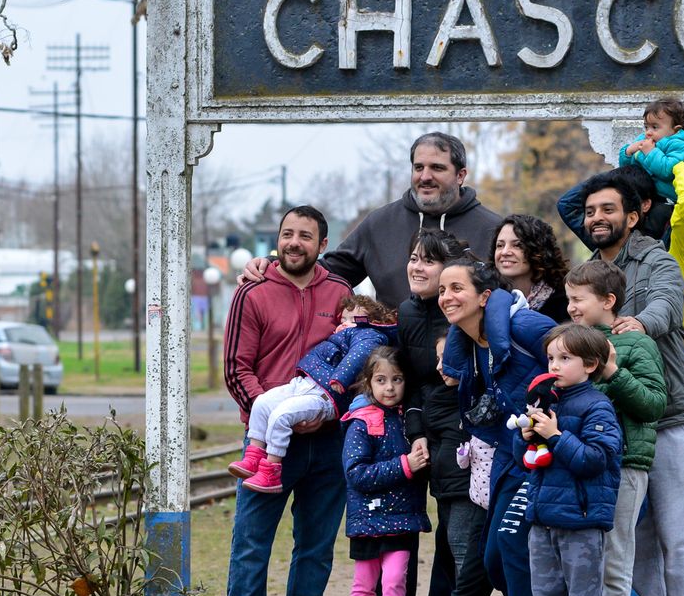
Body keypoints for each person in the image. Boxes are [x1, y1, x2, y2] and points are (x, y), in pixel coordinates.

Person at [567, 167, 684, 596]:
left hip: (667, 413)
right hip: (611, 427)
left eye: (608, 209)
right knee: (633, 535)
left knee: (678, 530)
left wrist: (638, 322)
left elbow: (669, 307)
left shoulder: (658, 259)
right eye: (589, 212)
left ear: (634, 214)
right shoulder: (585, 274)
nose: (596, 218)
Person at [206, 205, 352, 596]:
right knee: (252, 538)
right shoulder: (253, 292)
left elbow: (355, 364)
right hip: (266, 444)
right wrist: (274, 417)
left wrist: (323, 412)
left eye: (305, 236)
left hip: (327, 441)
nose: (294, 242)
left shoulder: (341, 294)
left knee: (316, 543)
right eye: (287, 234)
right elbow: (236, 370)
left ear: (322, 245)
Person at [397, 258, 554, 596]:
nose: (446, 297)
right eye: (443, 289)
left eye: (457, 288)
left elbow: (579, 352)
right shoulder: (467, 345)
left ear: (485, 296)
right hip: (506, 456)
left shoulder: (522, 326)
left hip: (542, 458)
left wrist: (564, 418)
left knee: (509, 548)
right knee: (490, 559)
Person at [238, 132, 503, 306]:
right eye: (418, 167)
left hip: (467, 370)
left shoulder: (493, 230)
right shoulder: (380, 223)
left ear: (460, 175)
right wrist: (275, 264)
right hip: (395, 377)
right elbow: (329, 272)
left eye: (437, 168)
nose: (425, 177)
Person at [565, 260, 668, 596]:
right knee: (599, 560)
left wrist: (611, 371)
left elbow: (653, 405)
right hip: (586, 466)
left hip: (624, 465)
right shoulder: (570, 343)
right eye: (568, 299)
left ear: (608, 301)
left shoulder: (634, 344)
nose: (570, 307)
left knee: (614, 559)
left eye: (577, 299)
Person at [516, 323, 622, 596]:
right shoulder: (546, 402)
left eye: (565, 358)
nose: (554, 365)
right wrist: (526, 438)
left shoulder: (598, 406)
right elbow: (526, 461)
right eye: (550, 358)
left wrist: (557, 436)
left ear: (591, 364)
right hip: (542, 518)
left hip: (580, 521)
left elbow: (596, 461)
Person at [397, 229, 488, 596]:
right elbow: (410, 384)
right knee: (448, 540)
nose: (417, 266)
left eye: (428, 261)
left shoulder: (469, 311)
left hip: (465, 433)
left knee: (463, 538)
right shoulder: (408, 314)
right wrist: (416, 431)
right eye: (414, 258)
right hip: (428, 434)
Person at [228, 294, 397, 494]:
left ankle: (271, 470)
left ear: (371, 321)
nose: (344, 323)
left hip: (325, 394)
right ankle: (254, 454)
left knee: (281, 415)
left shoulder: (367, 334)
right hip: (305, 383)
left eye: (352, 319)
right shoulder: (344, 335)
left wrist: (341, 378)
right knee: (263, 403)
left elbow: (359, 354)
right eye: (342, 319)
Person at [342, 346, 430, 596]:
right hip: (367, 520)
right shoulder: (360, 423)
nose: (389, 388)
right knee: (364, 587)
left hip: (403, 518)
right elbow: (356, 474)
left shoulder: (412, 421)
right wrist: (405, 465)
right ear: (368, 382)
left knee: (394, 582)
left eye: (397, 380)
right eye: (381, 380)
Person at [617, 97, 684, 199]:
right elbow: (627, 170)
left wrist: (651, 152)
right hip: (644, 194)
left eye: (654, 127)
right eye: (646, 127)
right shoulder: (644, 140)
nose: (648, 132)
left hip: (666, 199)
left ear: (675, 130)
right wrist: (628, 152)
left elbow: (667, 171)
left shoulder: (678, 145)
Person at [490, 214, 569, 322]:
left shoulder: (566, 303)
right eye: (500, 245)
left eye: (517, 245)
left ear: (539, 251)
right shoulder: (486, 298)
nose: (504, 252)